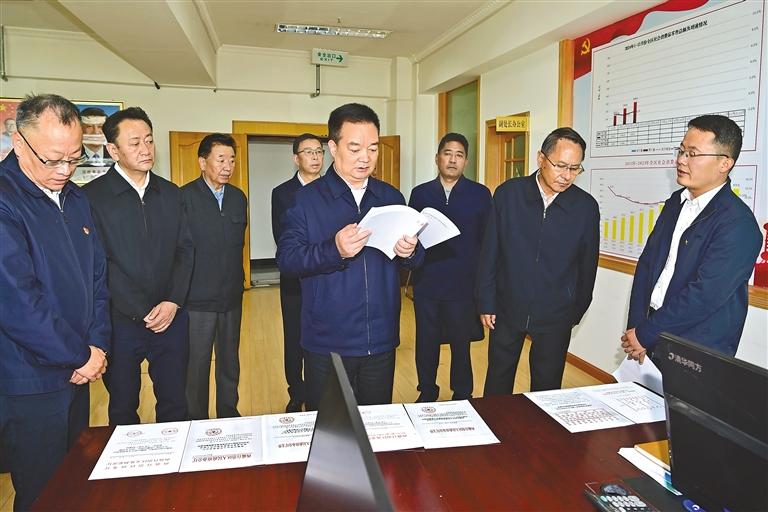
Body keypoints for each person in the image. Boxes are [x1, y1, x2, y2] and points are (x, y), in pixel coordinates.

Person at [0, 94, 109, 511]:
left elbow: (98, 277)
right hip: (31, 378)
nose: (64, 170)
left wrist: (96, 345)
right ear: (18, 142)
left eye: (74, 158)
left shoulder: (76, 198)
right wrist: (79, 355)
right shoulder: (6, 199)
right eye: (52, 159)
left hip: (78, 370)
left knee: (72, 483)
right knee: (41, 494)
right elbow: (16, 301)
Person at [276, 103, 423, 411]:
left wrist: (410, 251)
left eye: (373, 148)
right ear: (333, 147)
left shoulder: (390, 197)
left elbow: (415, 260)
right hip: (328, 342)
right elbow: (287, 260)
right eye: (355, 148)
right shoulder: (305, 201)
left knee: (376, 426)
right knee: (331, 430)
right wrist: (335, 250)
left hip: (381, 338)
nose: (365, 157)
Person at [84, 107, 194, 425]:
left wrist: (172, 301)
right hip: (120, 321)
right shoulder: (92, 198)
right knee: (122, 406)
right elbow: (99, 262)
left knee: (175, 403)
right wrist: (141, 309)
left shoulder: (171, 193)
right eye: (135, 143)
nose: (145, 149)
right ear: (113, 150)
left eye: (149, 140)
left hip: (170, 318)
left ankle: (173, 458)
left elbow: (186, 250)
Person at [623, 115, 762, 361]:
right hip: (651, 329)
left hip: (694, 347)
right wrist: (637, 326)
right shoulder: (675, 203)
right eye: (681, 151)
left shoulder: (739, 224)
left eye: (693, 154)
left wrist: (645, 333)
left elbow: (705, 295)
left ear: (724, 163)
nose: (681, 160)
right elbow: (647, 264)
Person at [477, 127, 600, 393]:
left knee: (547, 387)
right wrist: (486, 300)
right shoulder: (509, 194)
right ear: (541, 158)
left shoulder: (586, 207)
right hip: (507, 306)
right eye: (560, 166)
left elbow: (587, 265)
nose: (566, 176)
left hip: (556, 313)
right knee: (498, 379)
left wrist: (574, 311)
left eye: (575, 169)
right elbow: (490, 252)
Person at [408, 132, 491, 402]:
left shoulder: (480, 194)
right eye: (447, 153)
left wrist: (483, 287)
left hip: (463, 285)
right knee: (426, 342)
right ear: (437, 158)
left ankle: (462, 393)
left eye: (459, 155)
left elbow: (487, 242)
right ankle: (427, 390)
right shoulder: (420, 194)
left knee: (460, 343)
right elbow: (411, 236)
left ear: (466, 161)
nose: (453, 160)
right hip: (427, 282)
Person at [181, 134, 247, 419]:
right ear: (202, 162)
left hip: (231, 296)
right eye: (221, 159)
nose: (227, 166)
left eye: (231, 160)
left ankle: (228, 413)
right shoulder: (184, 198)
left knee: (229, 361)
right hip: (197, 299)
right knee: (196, 365)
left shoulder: (238, 198)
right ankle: (196, 419)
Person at [271, 133, 324, 412]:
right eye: (308, 152)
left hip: (327, 277)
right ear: (296, 158)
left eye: (319, 151)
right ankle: (296, 391)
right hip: (295, 280)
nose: (315, 157)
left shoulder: (332, 190)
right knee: (294, 337)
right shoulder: (282, 193)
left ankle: (322, 390)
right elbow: (282, 238)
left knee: (324, 335)